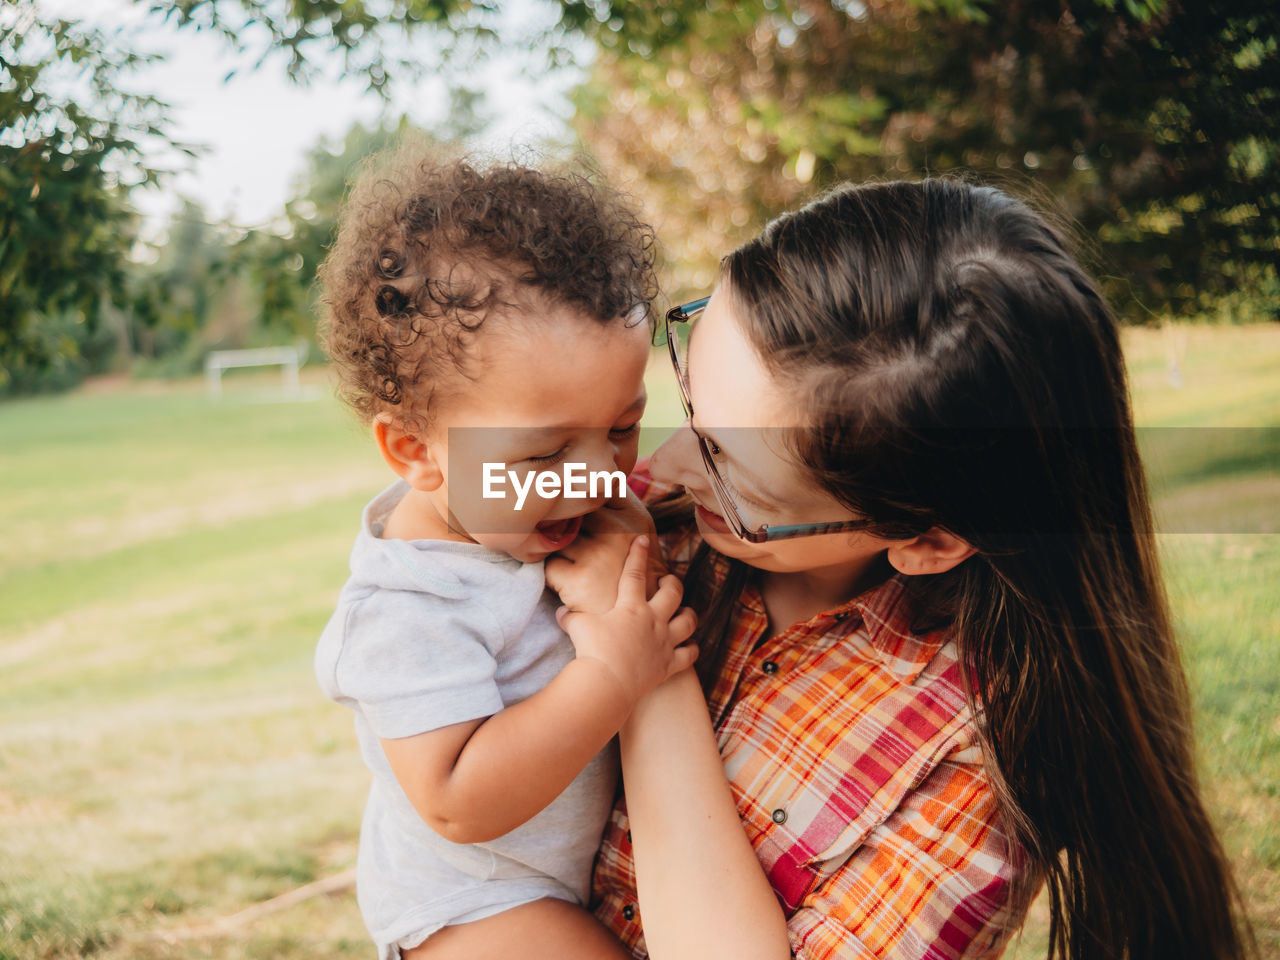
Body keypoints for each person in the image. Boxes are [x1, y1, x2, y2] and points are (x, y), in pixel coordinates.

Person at [548, 178, 1253, 960]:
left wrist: (645, 669)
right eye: (686, 402)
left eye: (731, 473)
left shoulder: (987, 763)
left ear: (929, 540)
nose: (663, 468)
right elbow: (435, 498)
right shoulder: (653, 516)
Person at [314, 148, 697, 960]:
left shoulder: (563, 508)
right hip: (474, 909)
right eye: (545, 455)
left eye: (622, 427)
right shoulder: (407, 611)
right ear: (417, 452)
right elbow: (458, 800)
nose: (599, 477)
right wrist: (613, 676)